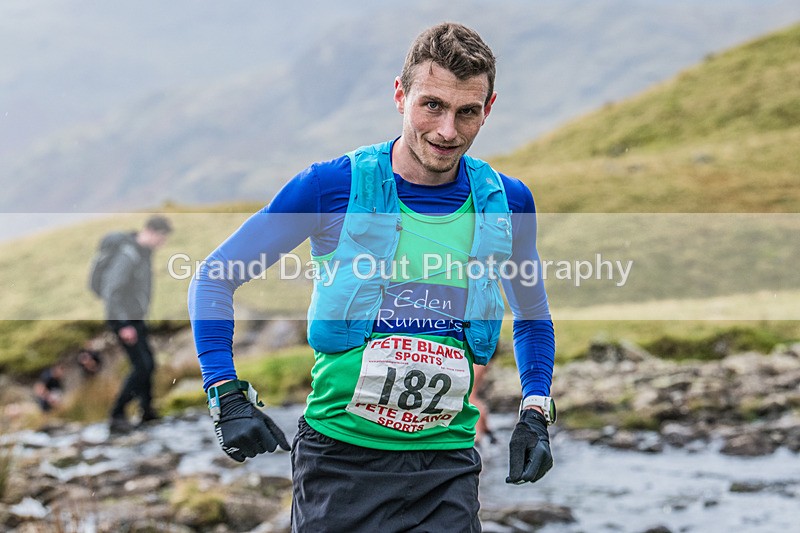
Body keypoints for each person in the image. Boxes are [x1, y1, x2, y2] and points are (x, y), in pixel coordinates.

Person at [189, 22, 556, 532]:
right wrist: (226, 396)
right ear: (400, 94)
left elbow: (534, 316)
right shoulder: (329, 186)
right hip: (339, 465)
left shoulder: (509, 202)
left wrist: (535, 410)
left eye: (467, 112)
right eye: (432, 105)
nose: (448, 131)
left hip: (446, 469)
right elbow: (214, 277)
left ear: (488, 109)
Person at [98, 215, 172, 433]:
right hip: (125, 321)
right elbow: (112, 291)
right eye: (162, 237)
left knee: (148, 363)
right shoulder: (128, 254)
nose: (162, 243)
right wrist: (123, 325)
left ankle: (147, 410)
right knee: (142, 366)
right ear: (151, 231)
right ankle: (117, 413)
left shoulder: (142, 253)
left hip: (135, 319)